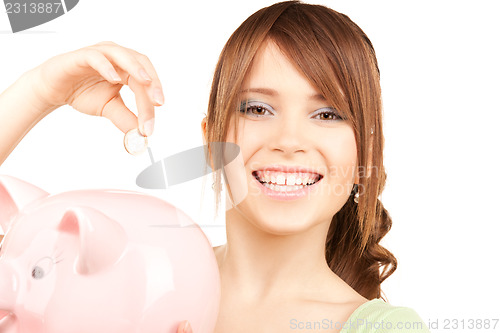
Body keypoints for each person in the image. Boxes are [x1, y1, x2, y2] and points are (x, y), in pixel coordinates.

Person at [0, 1, 430, 332]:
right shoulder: (144, 275)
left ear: (364, 159)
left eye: (328, 114)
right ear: (212, 140)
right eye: (258, 108)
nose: (289, 141)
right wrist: (37, 92)